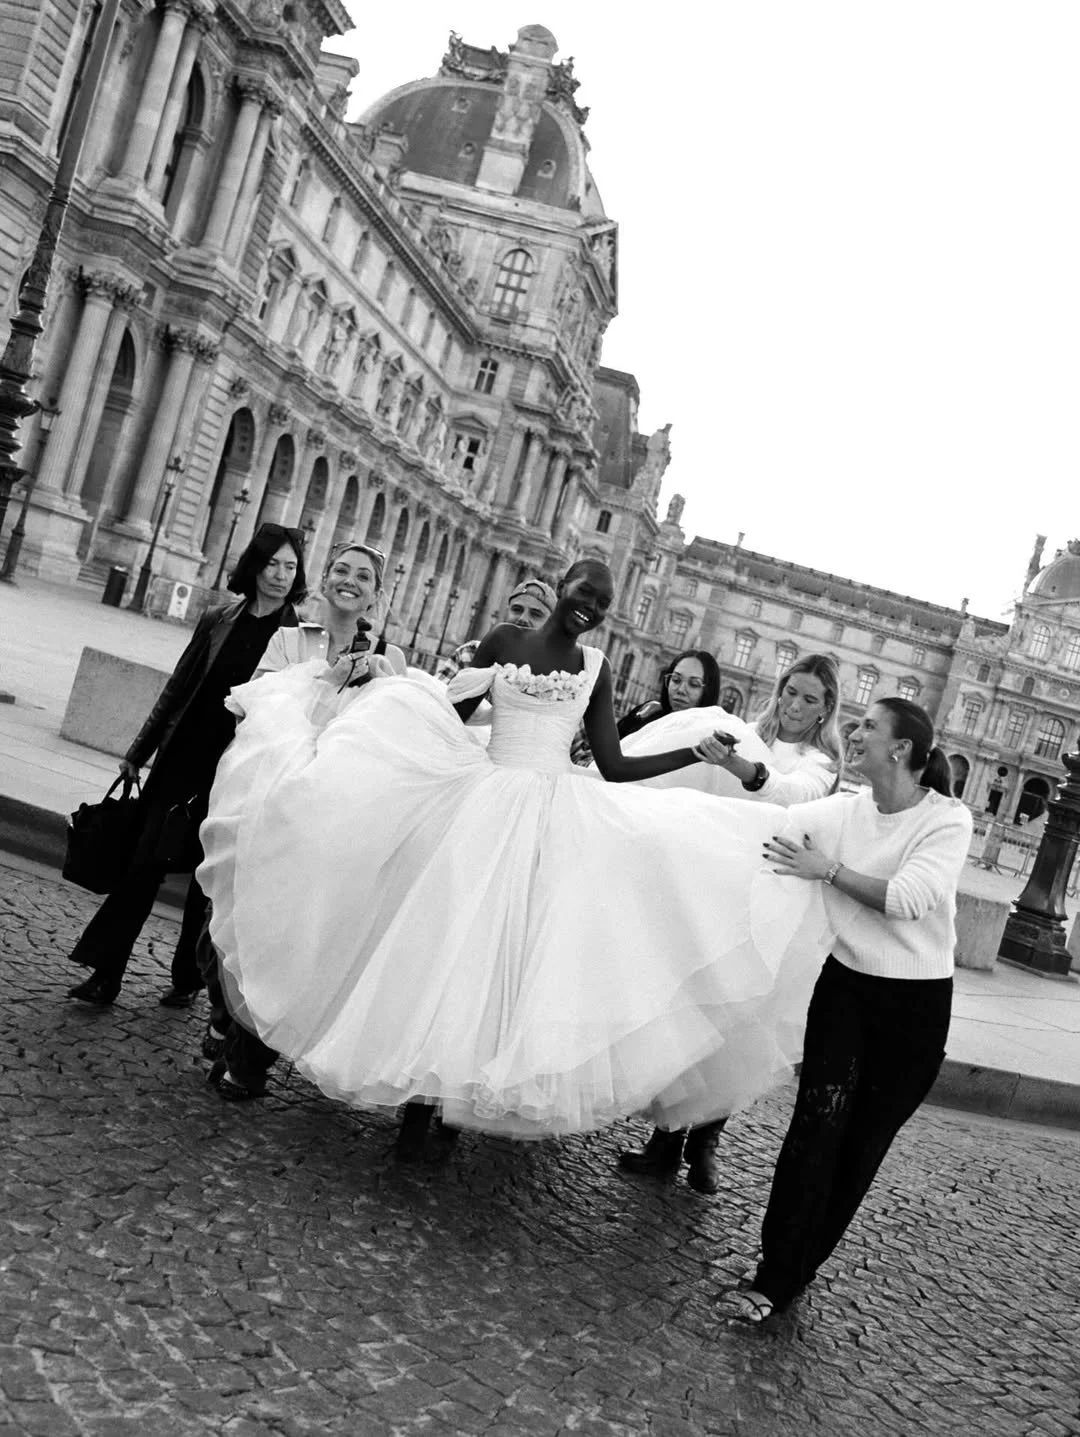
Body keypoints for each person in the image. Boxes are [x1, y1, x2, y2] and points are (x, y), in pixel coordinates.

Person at [196, 559, 835, 1148]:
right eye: (586, 593)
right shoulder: (503, 640)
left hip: (553, 816)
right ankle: (420, 1103)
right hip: (483, 800)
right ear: (564, 587)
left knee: (506, 960)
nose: (593, 608)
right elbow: (453, 714)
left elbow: (612, 764)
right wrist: (384, 695)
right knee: (442, 944)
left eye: (604, 603)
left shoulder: (597, 665)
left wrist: (688, 755)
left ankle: (448, 1102)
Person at [719, 697, 972, 1324]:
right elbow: (776, 811)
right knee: (813, 1129)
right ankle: (775, 1275)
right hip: (846, 990)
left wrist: (826, 871)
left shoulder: (947, 819)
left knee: (860, 1146)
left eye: (867, 727)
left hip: (913, 1006)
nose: (852, 734)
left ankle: (798, 1270)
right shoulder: (845, 810)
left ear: (902, 749)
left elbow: (911, 898)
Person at [617, 654, 845, 1192]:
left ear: (825, 709)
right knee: (693, 1003)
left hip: (767, 899)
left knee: (737, 1020)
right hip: (715, 887)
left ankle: (706, 1139)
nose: (793, 705)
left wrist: (744, 770)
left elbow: (795, 797)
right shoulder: (743, 730)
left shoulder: (821, 761)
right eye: (790, 691)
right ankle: (667, 1141)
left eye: (809, 699)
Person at [66, 524, 308, 1008]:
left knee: (205, 880)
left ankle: (188, 975)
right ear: (253, 566)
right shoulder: (218, 618)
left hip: (235, 771)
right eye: (272, 564)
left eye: (291, 566)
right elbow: (178, 688)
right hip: (180, 761)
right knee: (142, 866)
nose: (281, 575)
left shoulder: (300, 638)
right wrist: (139, 751)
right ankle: (106, 973)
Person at [198, 539, 405, 1093]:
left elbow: (395, 737)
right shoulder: (291, 639)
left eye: (363, 576)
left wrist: (379, 684)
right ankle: (225, 1013)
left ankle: (250, 1065)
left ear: (377, 594)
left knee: (291, 934)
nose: (349, 581)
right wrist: (329, 681)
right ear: (323, 580)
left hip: (332, 819)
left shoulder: (389, 656)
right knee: (227, 924)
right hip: (267, 802)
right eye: (341, 570)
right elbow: (255, 706)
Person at [571, 649, 721, 766]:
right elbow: (604, 744)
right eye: (676, 680)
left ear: (708, 690)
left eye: (693, 684)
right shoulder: (648, 711)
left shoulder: (704, 735)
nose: (681, 690)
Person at [434, 577, 557, 683]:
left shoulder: (552, 677)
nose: (523, 619)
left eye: (536, 614)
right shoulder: (469, 653)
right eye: (517, 609)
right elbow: (435, 698)